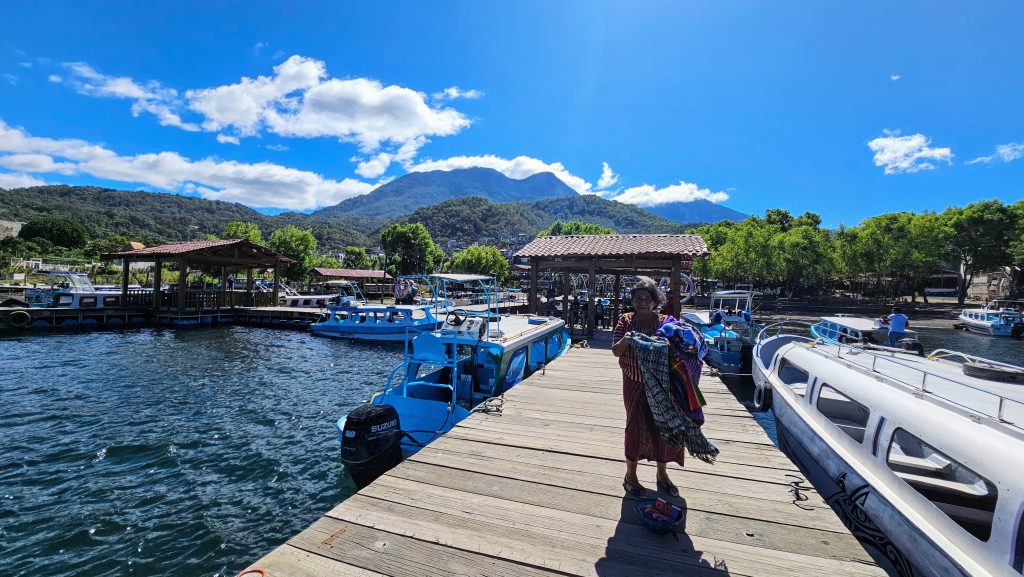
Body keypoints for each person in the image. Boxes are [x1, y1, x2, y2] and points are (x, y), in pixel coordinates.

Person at [611, 278, 684, 498]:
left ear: (655, 301)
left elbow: (680, 348)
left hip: (663, 384)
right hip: (633, 381)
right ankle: (630, 476)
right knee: (634, 427)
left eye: (646, 298)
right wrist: (628, 338)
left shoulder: (667, 322)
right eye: (637, 298)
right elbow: (616, 351)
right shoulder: (625, 321)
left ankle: (662, 474)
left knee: (663, 428)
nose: (641, 302)